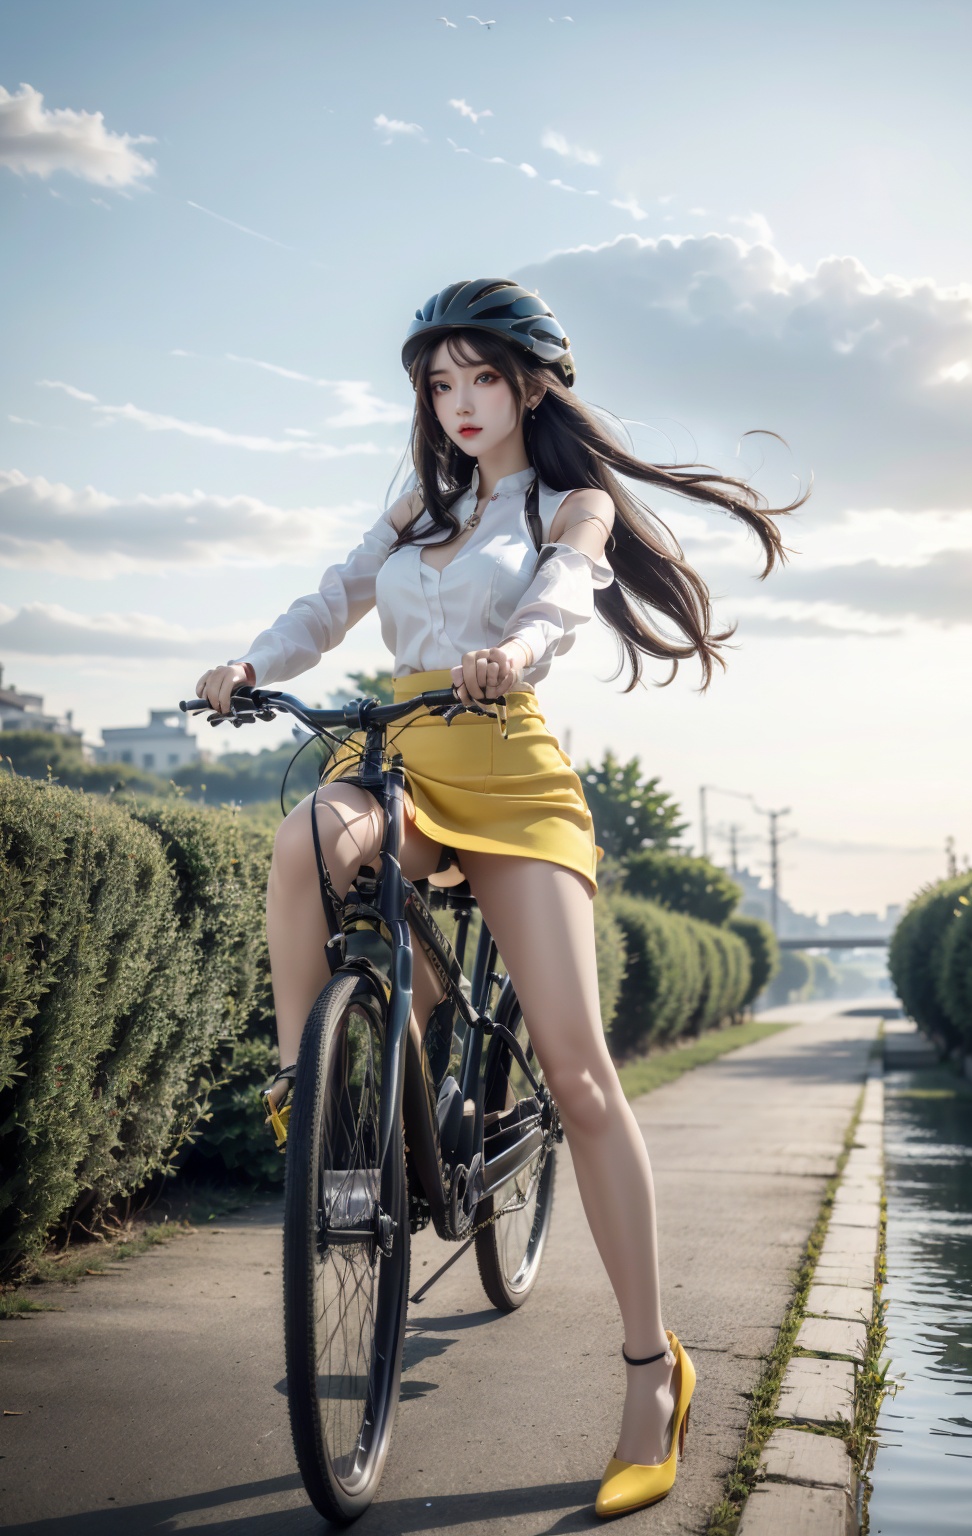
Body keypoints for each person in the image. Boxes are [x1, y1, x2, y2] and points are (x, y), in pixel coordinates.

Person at [195, 278, 797, 1519]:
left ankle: (651, 1370)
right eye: (438, 382)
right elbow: (335, 595)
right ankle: (308, 1087)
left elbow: (560, 597)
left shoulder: (567, 501)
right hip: (399, 755)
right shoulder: (420, 502)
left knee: (577, 1074)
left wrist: (513, 654)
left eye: (479, 379)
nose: (457, 404)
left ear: (531, 383)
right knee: (311, 833)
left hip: (509, 766)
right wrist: (255, 662)